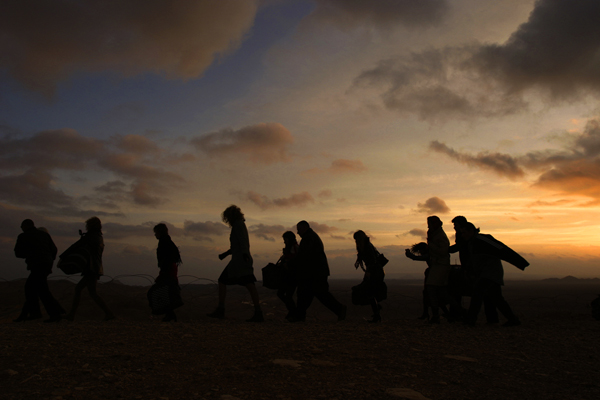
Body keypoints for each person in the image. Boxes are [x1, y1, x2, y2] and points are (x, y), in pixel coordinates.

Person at [207, 205, 263, 322]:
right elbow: (236, 245)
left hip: (240, 261)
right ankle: (258, 312)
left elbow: (242, 242)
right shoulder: (239, 224)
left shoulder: (238, 225)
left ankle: (221, 310)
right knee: (249, 284)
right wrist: (226, 254)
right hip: (240, 260)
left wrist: (244, 255)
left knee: (224, 280)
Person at [461, 222, 521, 327]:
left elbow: (501, 248)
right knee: (497, 298)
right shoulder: (471, 243)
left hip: (490, 273)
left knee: (477, 294)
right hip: (485, 274)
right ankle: (513, 320)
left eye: (464, 232)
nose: (463, 235)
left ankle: (470, 320)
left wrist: (519, 262)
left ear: (471, 230)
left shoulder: (483, 239)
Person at [289, 220, 346, 322]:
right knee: (310, 294)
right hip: (316, 272)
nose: (298, 233)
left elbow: (305, 256)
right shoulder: (311, 236)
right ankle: (299, 315)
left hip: (314, 273)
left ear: (304, 228)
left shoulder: (308, 238)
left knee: (312, 294)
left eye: (299, 230)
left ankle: (339, 309)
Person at [13, 219, 64, 323]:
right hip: (46, 265)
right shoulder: (44, 235)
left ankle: (54, 314)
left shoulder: (23, 236)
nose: (21, 228)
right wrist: (49, 259)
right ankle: (39, 313)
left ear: (25, 226)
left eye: (21, 226)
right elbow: (54, 249)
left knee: (38, 290)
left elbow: (18, 253)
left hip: (37, 265)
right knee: (35, 288)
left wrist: (30, 254)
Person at [65, 217, 115, 321]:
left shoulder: (91, 236)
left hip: (91, 268)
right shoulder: (98, 236)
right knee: (91, 292)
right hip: (95, 268)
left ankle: (71, 315)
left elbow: (76, 246)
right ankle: (108, 313)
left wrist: (63, 256)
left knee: (81, 290)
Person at [449, 215, 496, 323]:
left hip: (473, 268)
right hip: (472, 267)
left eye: (455, 225)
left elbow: (460, 247)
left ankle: (463, 316)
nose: (454, 228)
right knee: (486, 294)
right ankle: (490, 318)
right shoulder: (465, 234)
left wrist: (444, 250)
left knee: (478, 293)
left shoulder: (467, 236)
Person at [422, 216, 452, 324]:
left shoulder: (440, 236)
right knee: (437, 291)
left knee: (432, 289)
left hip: (441, 265)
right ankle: (443, 314)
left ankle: (437, 315)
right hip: (437, 265)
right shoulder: (434, 234)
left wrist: (431, 246)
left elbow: (443, 251)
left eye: (429, 223)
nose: (428, 226)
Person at [151, 223, 183, 322]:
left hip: (168, 269)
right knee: (165, 290)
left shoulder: (164, 242)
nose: (155, 235)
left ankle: (170, 314)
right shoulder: (166, 241)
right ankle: (169, 314)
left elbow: (167, 258)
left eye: (156, 232)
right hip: (169, 269)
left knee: (162, 290)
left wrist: (164, 269)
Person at [353, 230, 385, 323]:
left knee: (370, 292)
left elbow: (372, 261)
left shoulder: (367, 246)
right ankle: (377, 311)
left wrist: (369, 271)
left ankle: (377, 314)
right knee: (370, 292)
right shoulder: (366, 246)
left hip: (374, 272)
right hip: (373, 271)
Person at [276, 231, 299, 321]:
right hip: (288, 275)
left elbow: (296, 260)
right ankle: (293, 311)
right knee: (283, 294)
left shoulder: (295, 248)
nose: (284, 241)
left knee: (286, 295)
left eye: (285, 239)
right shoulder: (291, 248)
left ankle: (293, 312)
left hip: (292, 275)